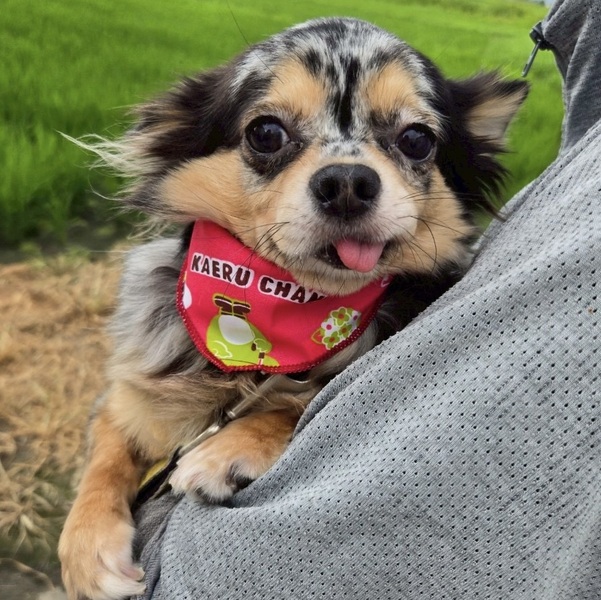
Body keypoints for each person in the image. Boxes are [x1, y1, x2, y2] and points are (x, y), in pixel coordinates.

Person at [133, 0, 600, 597]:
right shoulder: (171, 299)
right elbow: (127, 421)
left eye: (413, 141)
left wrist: (280, 426)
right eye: (269, 135)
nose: (347, 177)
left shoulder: (449, 337)